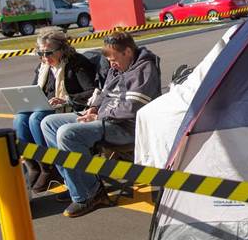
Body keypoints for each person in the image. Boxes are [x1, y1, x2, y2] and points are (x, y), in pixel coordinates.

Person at [41, 31, 161, 217]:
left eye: (113, 59)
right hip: (105, 118)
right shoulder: (118, 67)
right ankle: (76, 184)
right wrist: (94, 109)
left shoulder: (145, 69)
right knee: (48, 123)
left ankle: (89, 194)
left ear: (127, 51)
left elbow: (132, 107)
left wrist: (99, 116)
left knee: (67, 134)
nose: (111, 64)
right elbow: (103, 93)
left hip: (126, 126)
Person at [15, 29, 96, 192]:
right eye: (40, 53)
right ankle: (35, 166)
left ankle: (49, 168)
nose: (45, 57)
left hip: (72, 107)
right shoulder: (43, 66)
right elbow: (33, 89)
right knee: (20, 118)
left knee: (36, 118)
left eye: (49, 53)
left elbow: (92, 91)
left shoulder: (76, 64)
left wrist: (67, 99)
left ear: (62, 49)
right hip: (49, 107)